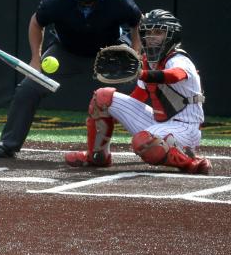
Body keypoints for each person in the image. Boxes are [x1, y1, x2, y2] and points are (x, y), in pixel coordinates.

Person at [0, 0, 142, 158]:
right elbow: (37, 23)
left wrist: (136, 54)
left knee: (140, 84)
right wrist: (35, 58)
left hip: (110, 53)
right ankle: (8, 143)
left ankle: (152, 142)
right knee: (28, 87)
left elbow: (137, 23)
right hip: (66, 52)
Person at [64, 10, 210, 174]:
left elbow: (175, 75)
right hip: (158, 122)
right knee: (103, 97)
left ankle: (189, 162)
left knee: (143, 142)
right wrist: (112, 115)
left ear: (172, 35)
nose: (151, 37)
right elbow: (138, 97)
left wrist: (143, 74)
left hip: (184, 128)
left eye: (158, 32)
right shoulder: (148, 62)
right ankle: (97, 156)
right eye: (148, 32)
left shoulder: (179, 59)